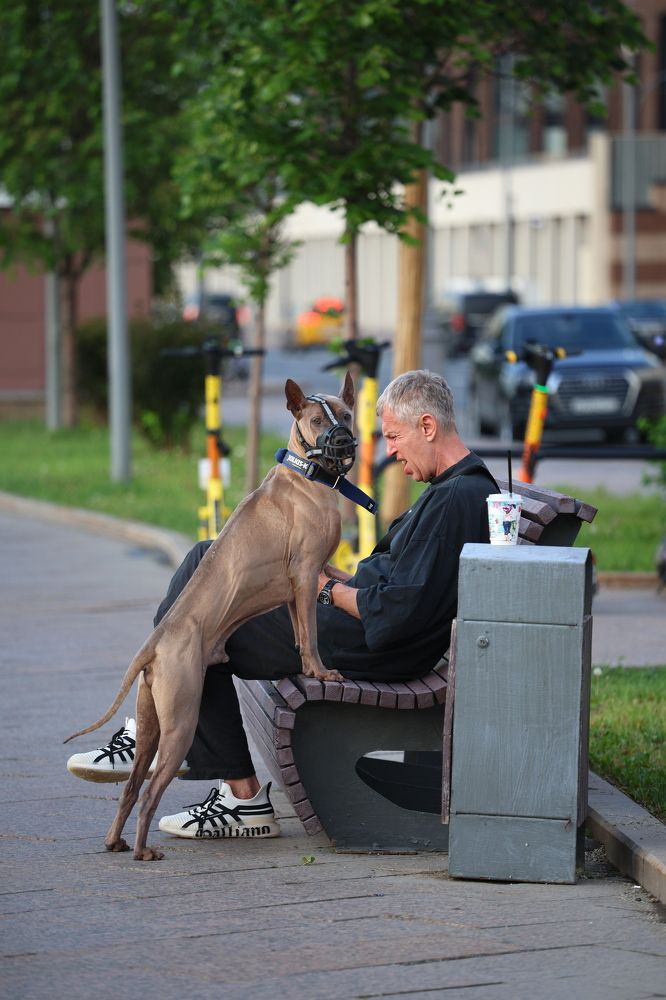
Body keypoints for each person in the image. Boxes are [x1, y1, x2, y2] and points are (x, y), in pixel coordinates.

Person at [67, 370, 499, 840]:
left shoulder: (457, 498)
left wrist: (323, 589)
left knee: (197, 631)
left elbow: (396, 613)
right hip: (361, 626)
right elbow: (402, 586)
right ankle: (159, 725)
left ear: (428, 427)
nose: (389, 451)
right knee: (201, 563)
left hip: (371, 644)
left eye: (394, 437)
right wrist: (339, 579)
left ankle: (220, 780)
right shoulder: (454, 490)